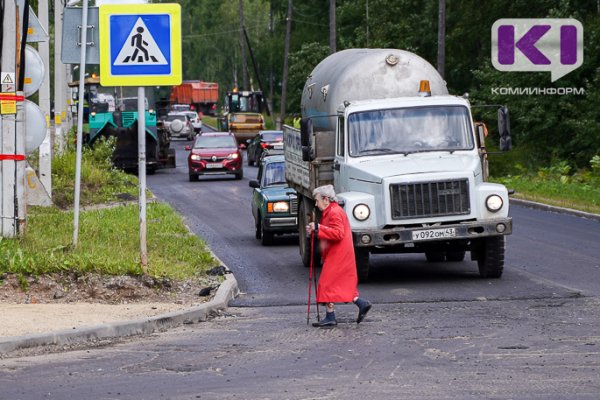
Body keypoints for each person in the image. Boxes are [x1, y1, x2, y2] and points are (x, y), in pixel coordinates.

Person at [306, 185, 372, 327]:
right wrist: (316, 230)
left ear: (326, 199)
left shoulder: (334, 212)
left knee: (326, 284)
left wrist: (318, 228)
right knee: (339, 284)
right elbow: (331, 231)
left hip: (338, 254)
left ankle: (331, 316)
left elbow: (337, 233)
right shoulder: (333, 211)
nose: (316, 204)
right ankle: (361, 303)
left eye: (317, 200)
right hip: (339, 253)